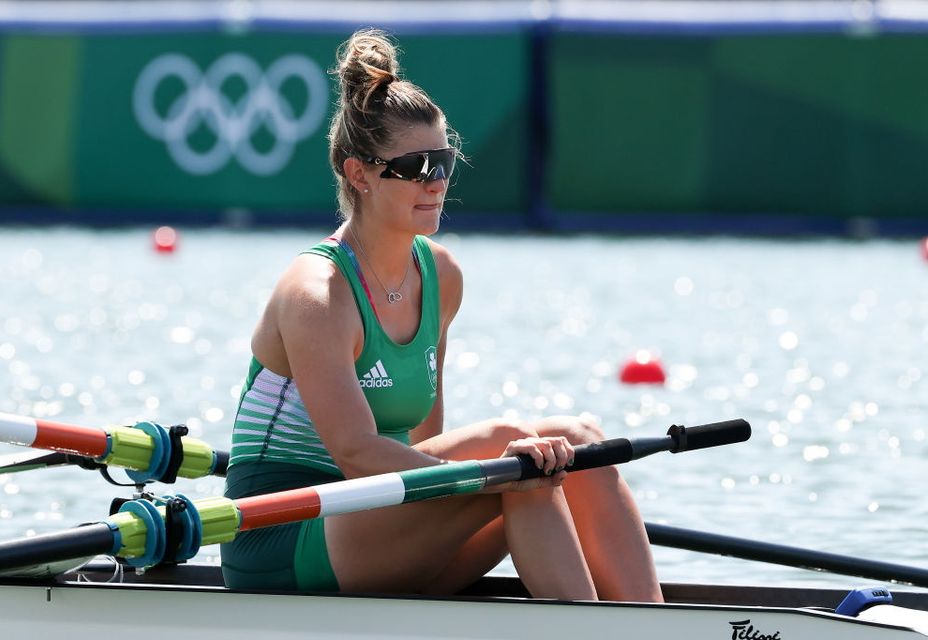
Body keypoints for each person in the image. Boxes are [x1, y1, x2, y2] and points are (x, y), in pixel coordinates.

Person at [220, 28, 663, 603]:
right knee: (516, 452)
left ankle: (646, 617)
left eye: (444, 162)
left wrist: (509, 469)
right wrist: (501, 468)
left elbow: (429, 439)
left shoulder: (441, 276)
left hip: (382, 519)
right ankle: (589, 621)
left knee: (577, 443)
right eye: (414, 166)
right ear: (359, 174)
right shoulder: (318, 293)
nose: (435, 182)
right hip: (282, 533)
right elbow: (356, 455)